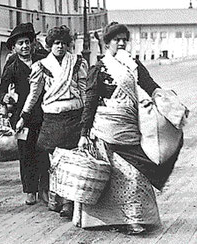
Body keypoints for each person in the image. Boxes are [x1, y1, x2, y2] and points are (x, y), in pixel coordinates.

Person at [75, 22, 183, 235]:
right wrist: (83, 133)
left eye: (124, 39)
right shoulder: (99, 69)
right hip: (105, 129)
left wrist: (169, 104)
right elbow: (90, 101)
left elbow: (151, 87)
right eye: (116, 39)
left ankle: (135, 218)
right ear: (107, 43)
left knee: (135, 175)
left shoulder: (134, 66)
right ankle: (106, 219)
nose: (122, 43)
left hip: (130, 128)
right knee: (110, 176)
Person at [16, 26, 88, 215]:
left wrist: (88, 117)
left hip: (74, 116)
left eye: (64, 43)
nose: (60, 47)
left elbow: (83, 91)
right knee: (54, 161)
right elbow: (34, 94)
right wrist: (23, 115)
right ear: (49, 45)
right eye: (56, 43)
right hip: (52, 118)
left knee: (72, 160)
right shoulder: (40, 66)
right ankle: (56, 198)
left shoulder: (78, 62)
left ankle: (69, 202)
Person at [0, 23, 46, 205]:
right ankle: (30, 190)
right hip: (21, 118)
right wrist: (4, 97)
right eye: (20, 43)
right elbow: (0, 90)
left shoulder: (44, 60)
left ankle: (44, 188)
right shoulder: (12, 66)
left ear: (33, 44)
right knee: (26, 153)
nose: (24, 46)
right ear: (14, 47)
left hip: (44, 112)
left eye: (27, 42)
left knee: (44, 151)